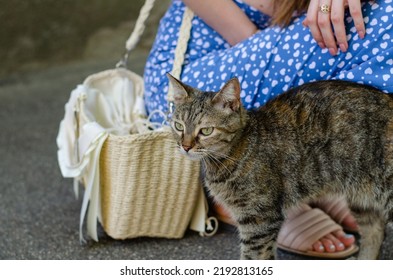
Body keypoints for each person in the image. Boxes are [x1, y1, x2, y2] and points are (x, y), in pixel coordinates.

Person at [143, 0, 393, 258]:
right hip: (203, 59)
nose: (185, 144)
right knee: (384, 21)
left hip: (269, 50)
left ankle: (308, 186)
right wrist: (267, 50)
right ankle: (262, 200)